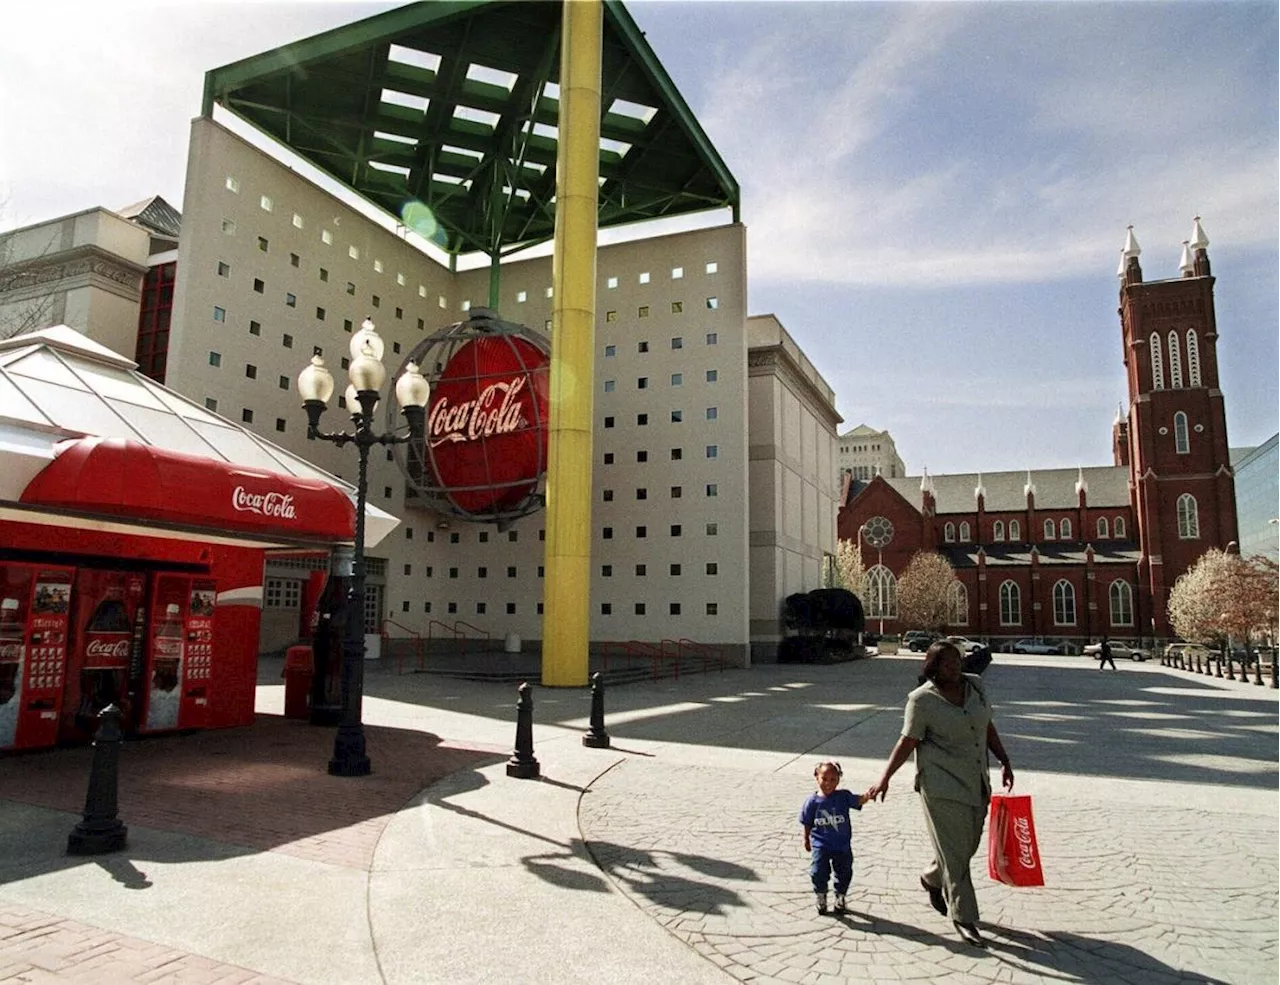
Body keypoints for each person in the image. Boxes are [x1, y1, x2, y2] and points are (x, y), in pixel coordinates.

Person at [865, 640, 1014, 947]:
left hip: (975, 779)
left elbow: (986, 725)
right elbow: (907, 741)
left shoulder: (976, 687)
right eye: (947, 663)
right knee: (956, 854)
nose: (955, 667)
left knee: (966, 845)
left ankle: (932, 877)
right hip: (940, 785)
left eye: (957, 661)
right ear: (933, 668)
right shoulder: (921, 701)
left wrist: (1004, 758)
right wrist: (885, 778)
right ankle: (964, 917)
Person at [799, 761, 865, 915]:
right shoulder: (812, 802)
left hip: (842, 845)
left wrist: (870, 795)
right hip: (820, 845)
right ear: (817, 777)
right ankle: (821, 895)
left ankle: (840, 896)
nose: (828, 784)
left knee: (844, 871)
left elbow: (858, 800)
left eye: (833, 780)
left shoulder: (843, 796)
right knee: (818, 871)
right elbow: (807, 822)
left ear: (839, 779)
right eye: (824, 779)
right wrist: (806, 839)